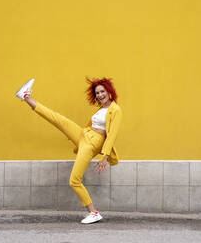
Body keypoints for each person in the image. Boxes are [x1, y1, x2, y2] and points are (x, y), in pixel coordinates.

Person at [15, 77, 122, 224]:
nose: (100, 95)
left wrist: (104, 156)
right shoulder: (101, 109)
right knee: (57, 119)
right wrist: (72, 135)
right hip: (84, 134)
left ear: (109, 92)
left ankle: (94, 213)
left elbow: (112, 135)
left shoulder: (116, 110)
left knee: (74, 180)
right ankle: (26, 96)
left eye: (102, 91)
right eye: (97, 93)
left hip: (92, 143)